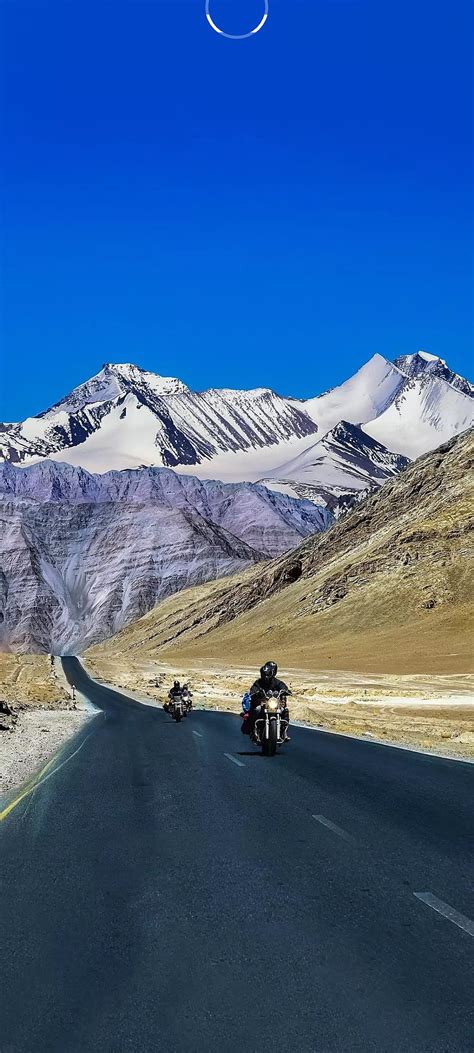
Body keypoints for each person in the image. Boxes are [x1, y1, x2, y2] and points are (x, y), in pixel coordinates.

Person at [242, 661, 291, 741]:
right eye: (264, 675)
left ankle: (284, 732)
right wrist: (255, 692)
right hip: (262, 705)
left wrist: (286, 691)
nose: (265, 677)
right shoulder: (258, 683)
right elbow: (253, 689)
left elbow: (283, 687)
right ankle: (254, 730)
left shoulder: (277, 682)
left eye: (266, 675)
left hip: (274, 704)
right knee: (256, 710)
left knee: (285, 710)